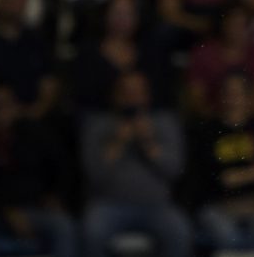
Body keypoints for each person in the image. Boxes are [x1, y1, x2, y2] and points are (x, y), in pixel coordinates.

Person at [0, 84, 76, 257]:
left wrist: (56, 195)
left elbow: (63, 168)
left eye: (4, 104)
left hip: (36, 207)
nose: (0, 111)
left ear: (16, 106)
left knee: (63, 225)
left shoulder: (36, 132)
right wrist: (6, 212)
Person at [81, 71, 192, 257]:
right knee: (92, 230)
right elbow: (94, 176)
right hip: (109, 205)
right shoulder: (97, 125)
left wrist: (148, 143)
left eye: (137, 93)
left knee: (180, 231)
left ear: (147, 95)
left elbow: (175, 171)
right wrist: (118, 142)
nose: (132, 99)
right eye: (126, 93)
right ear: (115, 96)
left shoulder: (165, 122)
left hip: (158, 206)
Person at [190, 72, 254, 251]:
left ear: (248, 97)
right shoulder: (207, 132)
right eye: (228, 93)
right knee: (229, 237)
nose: (233, 99)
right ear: (221, 97)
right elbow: (223, 179)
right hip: (218, 206)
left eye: (238, 93)